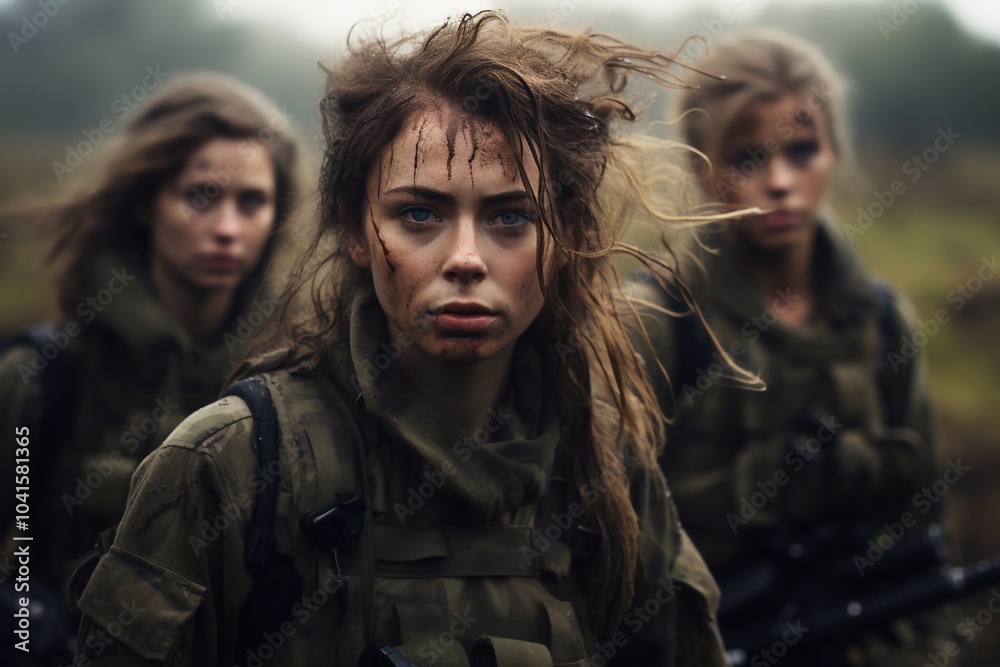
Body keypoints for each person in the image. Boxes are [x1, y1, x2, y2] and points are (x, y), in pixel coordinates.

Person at [74, 12, 727, 667]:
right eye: (420, 213)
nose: (466, 258)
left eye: (510, 216)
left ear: (561, 239)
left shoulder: (604, 469)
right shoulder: (229, 464)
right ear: (356, 230)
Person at [627, 29, 956, 666]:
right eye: (748, 158)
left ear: (834, 153)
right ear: (701, 165)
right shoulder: (655, 322)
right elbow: (607, 546)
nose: (779, 181)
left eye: (802, 151)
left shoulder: (882, 323)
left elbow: (926, 527)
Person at [0, 73, 300, 665]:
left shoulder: (295, 379)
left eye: (252, 201)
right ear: (143, 202)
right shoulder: (43, 377)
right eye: (200, 195)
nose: (227, 229)